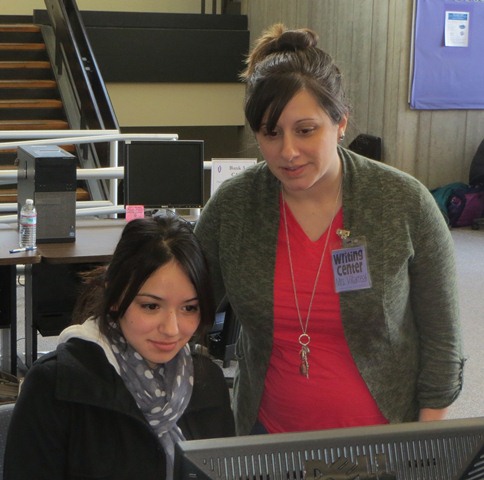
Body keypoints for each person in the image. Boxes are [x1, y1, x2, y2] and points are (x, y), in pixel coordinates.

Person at [194, 24, 464, 436]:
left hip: (384, 439)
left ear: (340, 123)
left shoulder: (403, 203)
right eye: (270, 133)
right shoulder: (234, 208)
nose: (287, 152)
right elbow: (184, 305)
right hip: (267, 435)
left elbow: (443, 343)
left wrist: (422, 445)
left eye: (305, 130)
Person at [4, 215, 235, 480]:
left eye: (189, 308)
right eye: (151, 306)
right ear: (114, 296)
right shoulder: (56, 385)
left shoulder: (207, 382)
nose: (172, 328)